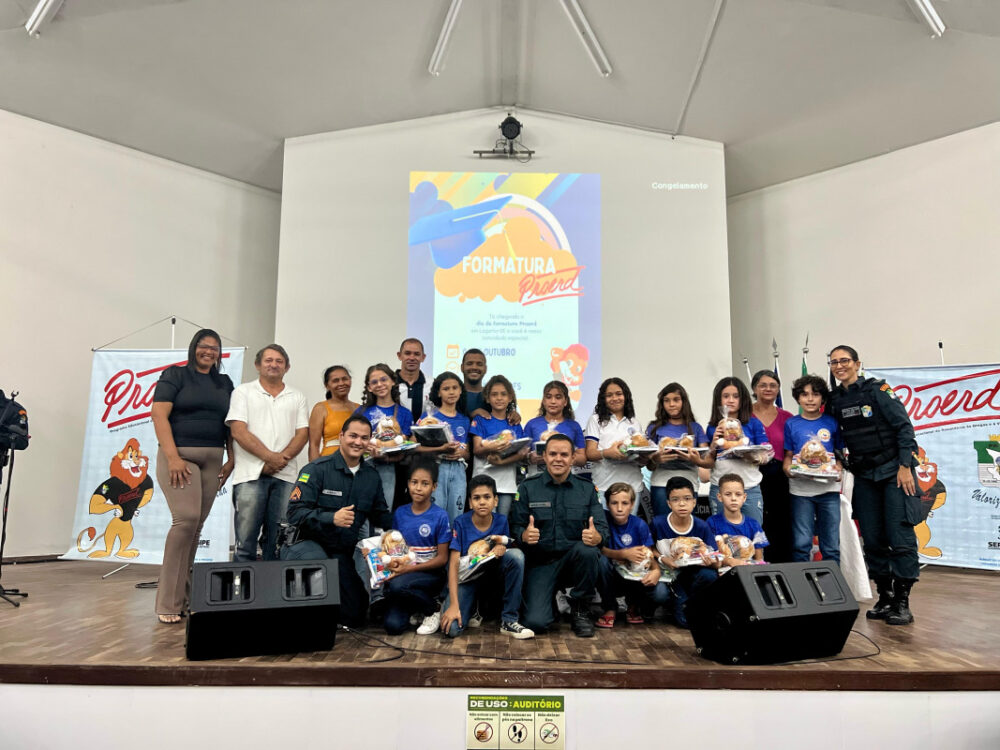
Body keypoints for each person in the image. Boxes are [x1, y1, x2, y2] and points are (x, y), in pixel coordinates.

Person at [827, 345, 920, 625]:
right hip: (865, 476)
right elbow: (834, 437)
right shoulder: (834, 401)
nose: (840, 366)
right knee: (873, 538)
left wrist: (905, 467)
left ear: (857, 363)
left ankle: (902, 602)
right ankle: (885, 597)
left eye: (845, 361)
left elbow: (905, 428)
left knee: (899, 537)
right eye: (834, 362)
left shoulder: (879, 391)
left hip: (894, 472)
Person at [150, 329, 234, 625]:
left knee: (196, 528)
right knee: (184, 521)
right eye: (203, 346)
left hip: (213, 459)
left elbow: (230, 423)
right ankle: (168, 601)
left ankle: (184, 599)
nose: (208, 351)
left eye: (214, 348)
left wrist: (231, 456)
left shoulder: (224, 382)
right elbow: (159, 415)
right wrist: (172, 457)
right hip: (180, 456)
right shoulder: (175, 375)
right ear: (193, 348)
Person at [281, 414, 392, 628]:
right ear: (341, 436)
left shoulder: (371, 476)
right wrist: (331, 518)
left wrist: (408, 524)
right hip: (305, 544)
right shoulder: (316, 469)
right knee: (322, 577)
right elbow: (294, 513)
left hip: (339, 551)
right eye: (352, 436)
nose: (358, 442)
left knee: (355, 615)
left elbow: (381, 515)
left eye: (364, 437)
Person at [509, 433, 608, 638]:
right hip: (541, 563)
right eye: (553, 454)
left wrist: (596, 537)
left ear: (573, 458)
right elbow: (515, 526)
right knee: (536, 623)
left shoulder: (587, 489)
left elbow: (602, 529)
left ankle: (580, 608)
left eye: (564, 454)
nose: (558, 459)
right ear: (544, 456)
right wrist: (524, 535)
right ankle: (550, 603)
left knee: (589, 551)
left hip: (574, 561)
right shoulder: (528, 487)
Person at [226, 344, 308, 562]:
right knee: (245, 542)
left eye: (279, 361)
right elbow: (238, 431)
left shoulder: (297, 396)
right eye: (268, 360)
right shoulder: (242, 392)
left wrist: (280, 461)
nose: (274, 364)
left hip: (285, 477)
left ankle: (271, 594)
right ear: (257, 365)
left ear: (287, 367)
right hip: (250, 476)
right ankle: (242, 592)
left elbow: (302, 434)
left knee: (278, 543)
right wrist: (270, 458)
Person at [439, 475, 533, 639]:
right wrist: (454, 605)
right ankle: (468, 606)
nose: (482, 502)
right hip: (467, 578)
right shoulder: (460, 523)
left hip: (491, 577)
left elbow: (505, 547)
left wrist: (500, 547)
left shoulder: (501, 521)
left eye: (487, 497)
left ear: (496, 500)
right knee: (451, 630)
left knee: (517, 556)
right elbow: (453, 564)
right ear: (470, 502)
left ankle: (509, 620)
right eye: (476, 498)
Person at [381, 459, 451, 635]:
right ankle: (417, 607)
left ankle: (433, 608)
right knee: (392, 627)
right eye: (414, 482)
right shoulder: (400, 512)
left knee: (398, 586)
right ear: (408, 484)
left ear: (434, 486)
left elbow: (442, 559)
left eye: (425, 483)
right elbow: (395, 547)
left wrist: (408, 570)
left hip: (431, 575)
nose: (418, 488)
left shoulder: (440, 516)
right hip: (405, 573)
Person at [783, 374, 844, 564]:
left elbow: (839, 454)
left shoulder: (832, 422)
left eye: (815, 395)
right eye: (804, 395)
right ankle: (802, 588)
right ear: (798, 398)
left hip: (828, 490)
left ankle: (833, 588)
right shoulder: (791, 423)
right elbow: (788, 455)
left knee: (831, 545)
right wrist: (787, 468)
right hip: (801, 491)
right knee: (801, 543)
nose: (810, 399)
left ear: (823, 399)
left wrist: (838, 469)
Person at [651, 477, 721, 628]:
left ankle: (688, 600)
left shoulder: (701, 526)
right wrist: (663, 558)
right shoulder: (658, 523)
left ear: (694, 502)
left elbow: (716, 559)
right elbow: (649, 548)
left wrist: (711, 562)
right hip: (668, 575)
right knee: (659, 595)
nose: (682, 503)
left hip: (691, 575)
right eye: (675, 500)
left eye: (687, 498)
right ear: (668, 503)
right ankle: (671, 601)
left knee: (709, 575)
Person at [595, 483, 667, 628]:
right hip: (611, 577)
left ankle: (634, 606)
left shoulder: (639, 525)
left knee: (660, 592)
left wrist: (656, 570)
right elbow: (598, 549)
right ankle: (610, 607)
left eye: (625, 503)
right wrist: (623, 554)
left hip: (633, 577)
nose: (620, 508)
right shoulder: (603, 521)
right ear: (607, 504)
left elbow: (648, 555)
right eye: (614, 503)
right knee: (600, 562)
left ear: (632, 504)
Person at [705, 377, 770, 523]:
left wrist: (753, 457)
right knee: (721, 536)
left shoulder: (754, 423)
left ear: (743, 399)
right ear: (718, 400)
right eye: (725, 396)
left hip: (749, 487)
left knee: (753, 536)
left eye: (736, 396)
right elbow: (708, 459)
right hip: (720, 488)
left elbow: (768, 453)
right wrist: (714, 444)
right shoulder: (713, 427)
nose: (731, 400)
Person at [584, 377, 650, 515]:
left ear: (626, 396)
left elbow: (639, 460)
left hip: (632, 487)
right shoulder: (595, 420)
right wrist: (607, 453)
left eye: (619, 394)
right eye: (609, 395)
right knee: (605, 533)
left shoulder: (634, 422)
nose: (615, 398)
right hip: (605, 486)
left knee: (627, 532)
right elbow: (590, 453)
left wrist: (643, 459)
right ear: (603, 398)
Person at [646, 383, 711, 517]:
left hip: (689, 483)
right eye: (666, 400)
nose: (671, 404)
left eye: (676, 399)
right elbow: (649, 465)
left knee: (686, 528)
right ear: (661, 403)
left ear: (684, 401)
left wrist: (696, 459)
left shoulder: (695, 427)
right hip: (661, 483)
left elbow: (706, 459)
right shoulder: (654, 427)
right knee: (662, 526)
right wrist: (655, 459)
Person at [355, 363, 414, 506]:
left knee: (384, 510)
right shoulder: (361, 412)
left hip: (391, 469)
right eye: (374, 382)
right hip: (362, 467)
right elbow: (351, 439)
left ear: (393, 381)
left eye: (384, 379)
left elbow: (405, 444)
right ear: (369, 387)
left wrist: (387, 457)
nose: (379, 384)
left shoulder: (404, 413)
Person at [751, 369, 795, 563]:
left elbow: (791, 449)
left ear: (778, 389)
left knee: (781, 522)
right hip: (752, 474)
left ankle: (781, 567)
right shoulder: (744, 415)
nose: (768, 389)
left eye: (773, 385)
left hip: (779, 475)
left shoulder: (787, 417)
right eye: (763, 385)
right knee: (757, 522)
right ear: (754, 389)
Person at [470, 375, 529, 516]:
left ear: (510, 398)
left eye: (503, 394)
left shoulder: (514, 423)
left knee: (502, 522)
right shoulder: (481, 420)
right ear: (487, 398)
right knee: (484, 522)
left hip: (507, 483)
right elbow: (477, 449)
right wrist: (494, 447)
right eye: (494, 394)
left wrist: (501, 461)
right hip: (482, 482)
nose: (499, 398)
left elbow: (521, 455)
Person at [417, 371, 471, 521]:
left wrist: (461, 454)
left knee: (457, 513)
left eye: (455, 388)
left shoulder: (465, 419)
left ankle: (453, 544)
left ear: (461, 390)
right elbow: (415, 447)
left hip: (459, 469)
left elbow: (468, 453)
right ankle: (436, 544)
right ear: (438, 393)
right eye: (446, 389)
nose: (451, 392)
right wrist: (439, 450)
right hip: (436, 467)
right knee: (436, 511)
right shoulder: (429, 417)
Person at [523, 381, 586, 479]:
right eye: (548, 397)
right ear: (543, 401)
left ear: (565, 402)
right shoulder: (532, 424)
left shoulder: (574, 426)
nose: (553, 401)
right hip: (537, 480)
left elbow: (582, 459)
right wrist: (530, 458)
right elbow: (521, 455)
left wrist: (566, 457)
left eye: (558, 397)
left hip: (566, 481)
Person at [707, 474, 768, 566]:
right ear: (719, 497)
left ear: (744, 497)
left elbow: (759, 559)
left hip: (747, 572)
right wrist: (729, 561)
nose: (733, 498)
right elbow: (710, 555)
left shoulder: (754, 524)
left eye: (738, 494)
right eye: (728, 494)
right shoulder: (712, 523)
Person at [307, 365, 358, 461]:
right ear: (327, 385)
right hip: (329, 463)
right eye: (335, 381)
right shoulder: (321, 408)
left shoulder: (359, 408)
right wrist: (314, 471)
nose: (341, 383)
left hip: (356, 462)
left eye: (345, 379)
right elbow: (314, 445)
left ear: (350, 380)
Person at [395, 338, 430, 420]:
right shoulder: (389, 384)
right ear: (399, 355)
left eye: (417, 354)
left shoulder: (433, 384)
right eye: (407, 353)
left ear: (423, 357)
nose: (412, 358)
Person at [461, 348, 488, 417]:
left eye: (479, 364)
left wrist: (512, 413)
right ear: (462, 367)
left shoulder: (491, 395)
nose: (474, 367)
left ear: (485, 369)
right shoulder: (453, 394)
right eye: (469, 364)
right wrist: (472, 416)